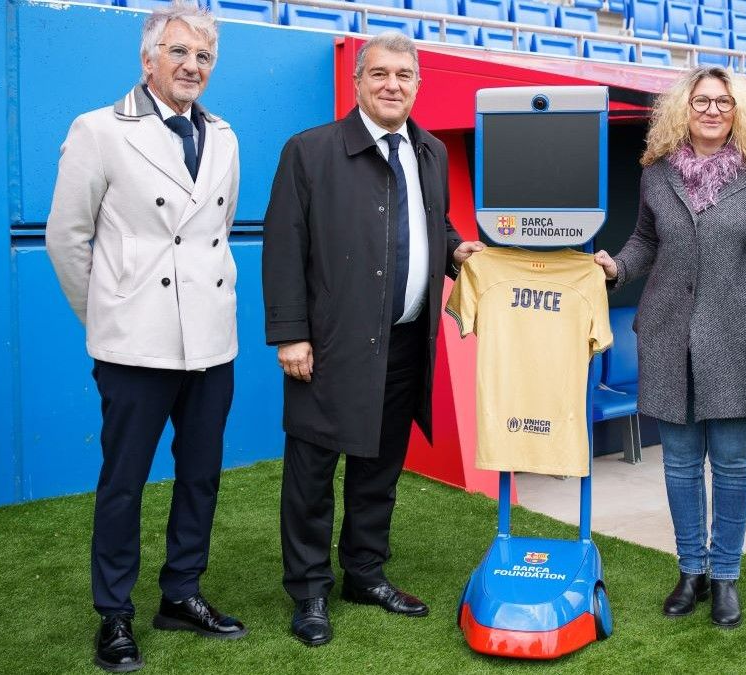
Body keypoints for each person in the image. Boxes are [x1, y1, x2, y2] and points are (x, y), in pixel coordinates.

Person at [262, 31, 484, 647]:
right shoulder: (309, 151)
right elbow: (284, 246)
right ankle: (309, 592)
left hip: (407, 343)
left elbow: (427, 223)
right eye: (380, 74)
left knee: (379, 468)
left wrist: (454, 250)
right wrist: (290, 335)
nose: (393, 85)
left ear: (417, 85)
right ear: (358, 82)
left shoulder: (431, 151)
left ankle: (364, 572)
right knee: (312, 473)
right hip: (328, 346)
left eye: (404, 76)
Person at [46, 2, 245, 671]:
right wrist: (109, 313)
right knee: (124, 482)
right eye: (181, 52)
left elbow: (214, 237)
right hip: (134, 343)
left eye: (204, 57)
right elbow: (67, 239)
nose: (193, 66)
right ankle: (115, 614)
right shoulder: (99, 129)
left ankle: (181, 593)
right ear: (148, 58)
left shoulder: (225, 136)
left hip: (212, 342)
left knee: (201, 476)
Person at [594, 67, 746, 629]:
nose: (711, 110)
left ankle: (725, 575)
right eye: (701, 101)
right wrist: (618, 267)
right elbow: (646, 240)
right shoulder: (658, 172)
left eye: (723, 102)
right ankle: (691, 570)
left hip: (737, 338)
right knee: (679, 464)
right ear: (683, 107)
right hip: (667, 334)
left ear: (739, 110)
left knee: (731, 465)